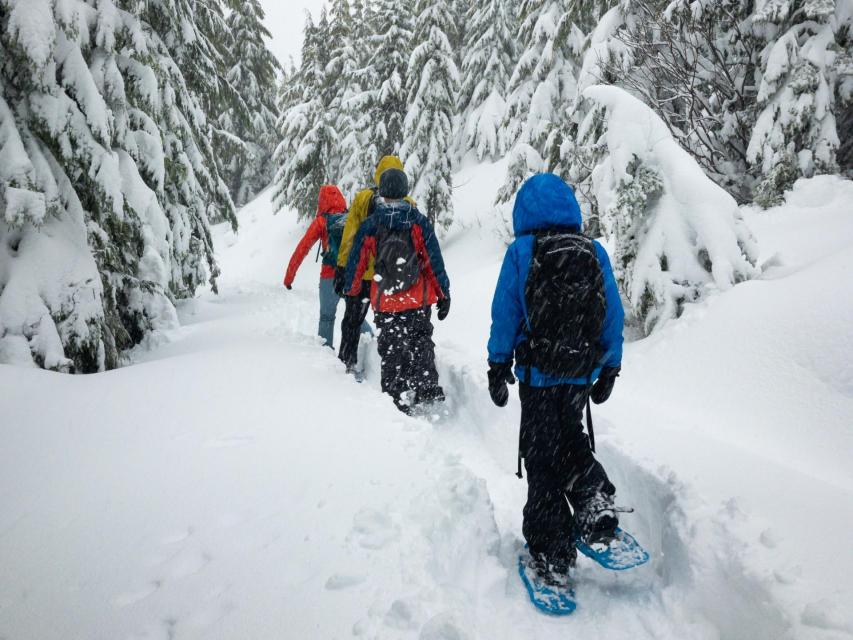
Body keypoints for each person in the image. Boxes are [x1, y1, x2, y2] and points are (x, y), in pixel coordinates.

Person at [486, 173, 624, 583]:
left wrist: (497, 365)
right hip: (579, 373)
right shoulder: (593, 251)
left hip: (537, 373)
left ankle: (552, 551)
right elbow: (612, 315)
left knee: (541, 456)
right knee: (571, 435)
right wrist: (610, 367)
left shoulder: (522, 252)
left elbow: (505, 314)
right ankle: (594, 498)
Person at [343, 168, 450, 413]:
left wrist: (352, 289)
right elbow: (434, 261)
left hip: (386, 300)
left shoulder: (372, 224)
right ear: (405, 190)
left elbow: (357, 261)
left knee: (392, 348)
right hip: (417, 298)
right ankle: (426, 388)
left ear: (381, 192)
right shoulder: (418, 221)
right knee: (421, 340)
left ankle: (396, 396)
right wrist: (443, 293)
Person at [334, 156, 416, 373]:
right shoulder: (408, 204)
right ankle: (398, 372)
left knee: (352, 320)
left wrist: (342, 268)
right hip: (391, 278)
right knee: (394, 326)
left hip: (363, 275)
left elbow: (350, 236)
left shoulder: (363, 198)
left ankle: (347, 361)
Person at [283, 185, 368, 347]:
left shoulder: (321, 222)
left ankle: (326, 358)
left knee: (327, 317)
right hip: (351, 275)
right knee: (355, 315)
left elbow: (302, 249)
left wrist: (289, 278)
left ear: (321, 201)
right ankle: (370, 344)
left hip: (329, 277)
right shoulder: (350, 218)